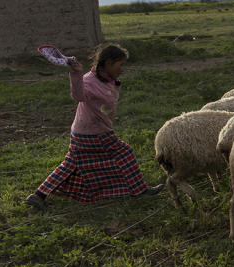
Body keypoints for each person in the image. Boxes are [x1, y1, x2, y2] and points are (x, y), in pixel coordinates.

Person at [25, 43, 163, 211]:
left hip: (88, 130)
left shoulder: (107, 80)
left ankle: (38, 195)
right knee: (124, 153)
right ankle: (139, 190)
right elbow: (78, 95)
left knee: (71, 164)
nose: (122, 69)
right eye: (120, 65)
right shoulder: (88, 81)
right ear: (108, 63)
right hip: (92, 133)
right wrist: (75, 73)